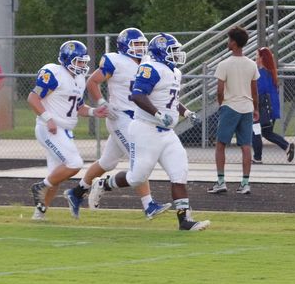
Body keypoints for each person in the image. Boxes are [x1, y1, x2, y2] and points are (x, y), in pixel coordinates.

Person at [91, 33, 210, 232]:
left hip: (167, 133)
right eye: (173, 50)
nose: (177, 54)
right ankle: (104, 183)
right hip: (146, 129)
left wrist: (187, 112)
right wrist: (157, 114)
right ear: (161, 51)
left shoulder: (175, 72)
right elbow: (137, 95)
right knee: (137, 177)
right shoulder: (151, 68)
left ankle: (185, 221)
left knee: (179, 172)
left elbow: (171, 100)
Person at [78, 27, 164, 218]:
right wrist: (102, 102)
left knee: (107, 162)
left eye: (142, 44)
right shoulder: (116, 61)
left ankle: (78, 191)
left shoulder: (148, 62)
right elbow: (92, 82)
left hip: (138, 118)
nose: (141, 48)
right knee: (138, 160)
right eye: (136, 44)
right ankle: (149, 206)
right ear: (125, 46)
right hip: (120, 116)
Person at [27, 40, 109, 221]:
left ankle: (39, 214)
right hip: (50, 128)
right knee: (74, 163)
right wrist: (47, 118)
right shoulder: (54, 73)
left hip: (63, 130)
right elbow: (33, 98)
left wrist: (94, 112)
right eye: (78, 61)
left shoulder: (79, 79)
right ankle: (40, 186)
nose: (82, 65)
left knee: (56, 175)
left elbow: (77, 107)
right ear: (67, 59)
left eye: (84, 62)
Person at [208, 26, 260, 195]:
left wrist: (221, 104)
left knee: (220, 144)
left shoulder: (224, 64)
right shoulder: (251, 64)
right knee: (246, 145)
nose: (228, 42)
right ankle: (245, 183)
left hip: (230, 107)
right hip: (247, 107)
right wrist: (256, 108)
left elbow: (220, 90)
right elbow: (254, 90)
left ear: (234, 43)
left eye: (230, 40)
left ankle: (221, 181)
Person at [252, 46, 294, 164]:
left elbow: (260, 91)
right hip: (270, 109)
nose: (255, 59)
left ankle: (257, 157)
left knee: (255, 131)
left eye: (257, 56)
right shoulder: (269, 73)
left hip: (263, 109)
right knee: (267, 132)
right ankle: (286, 146)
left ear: (262, 58)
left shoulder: (261, 74)